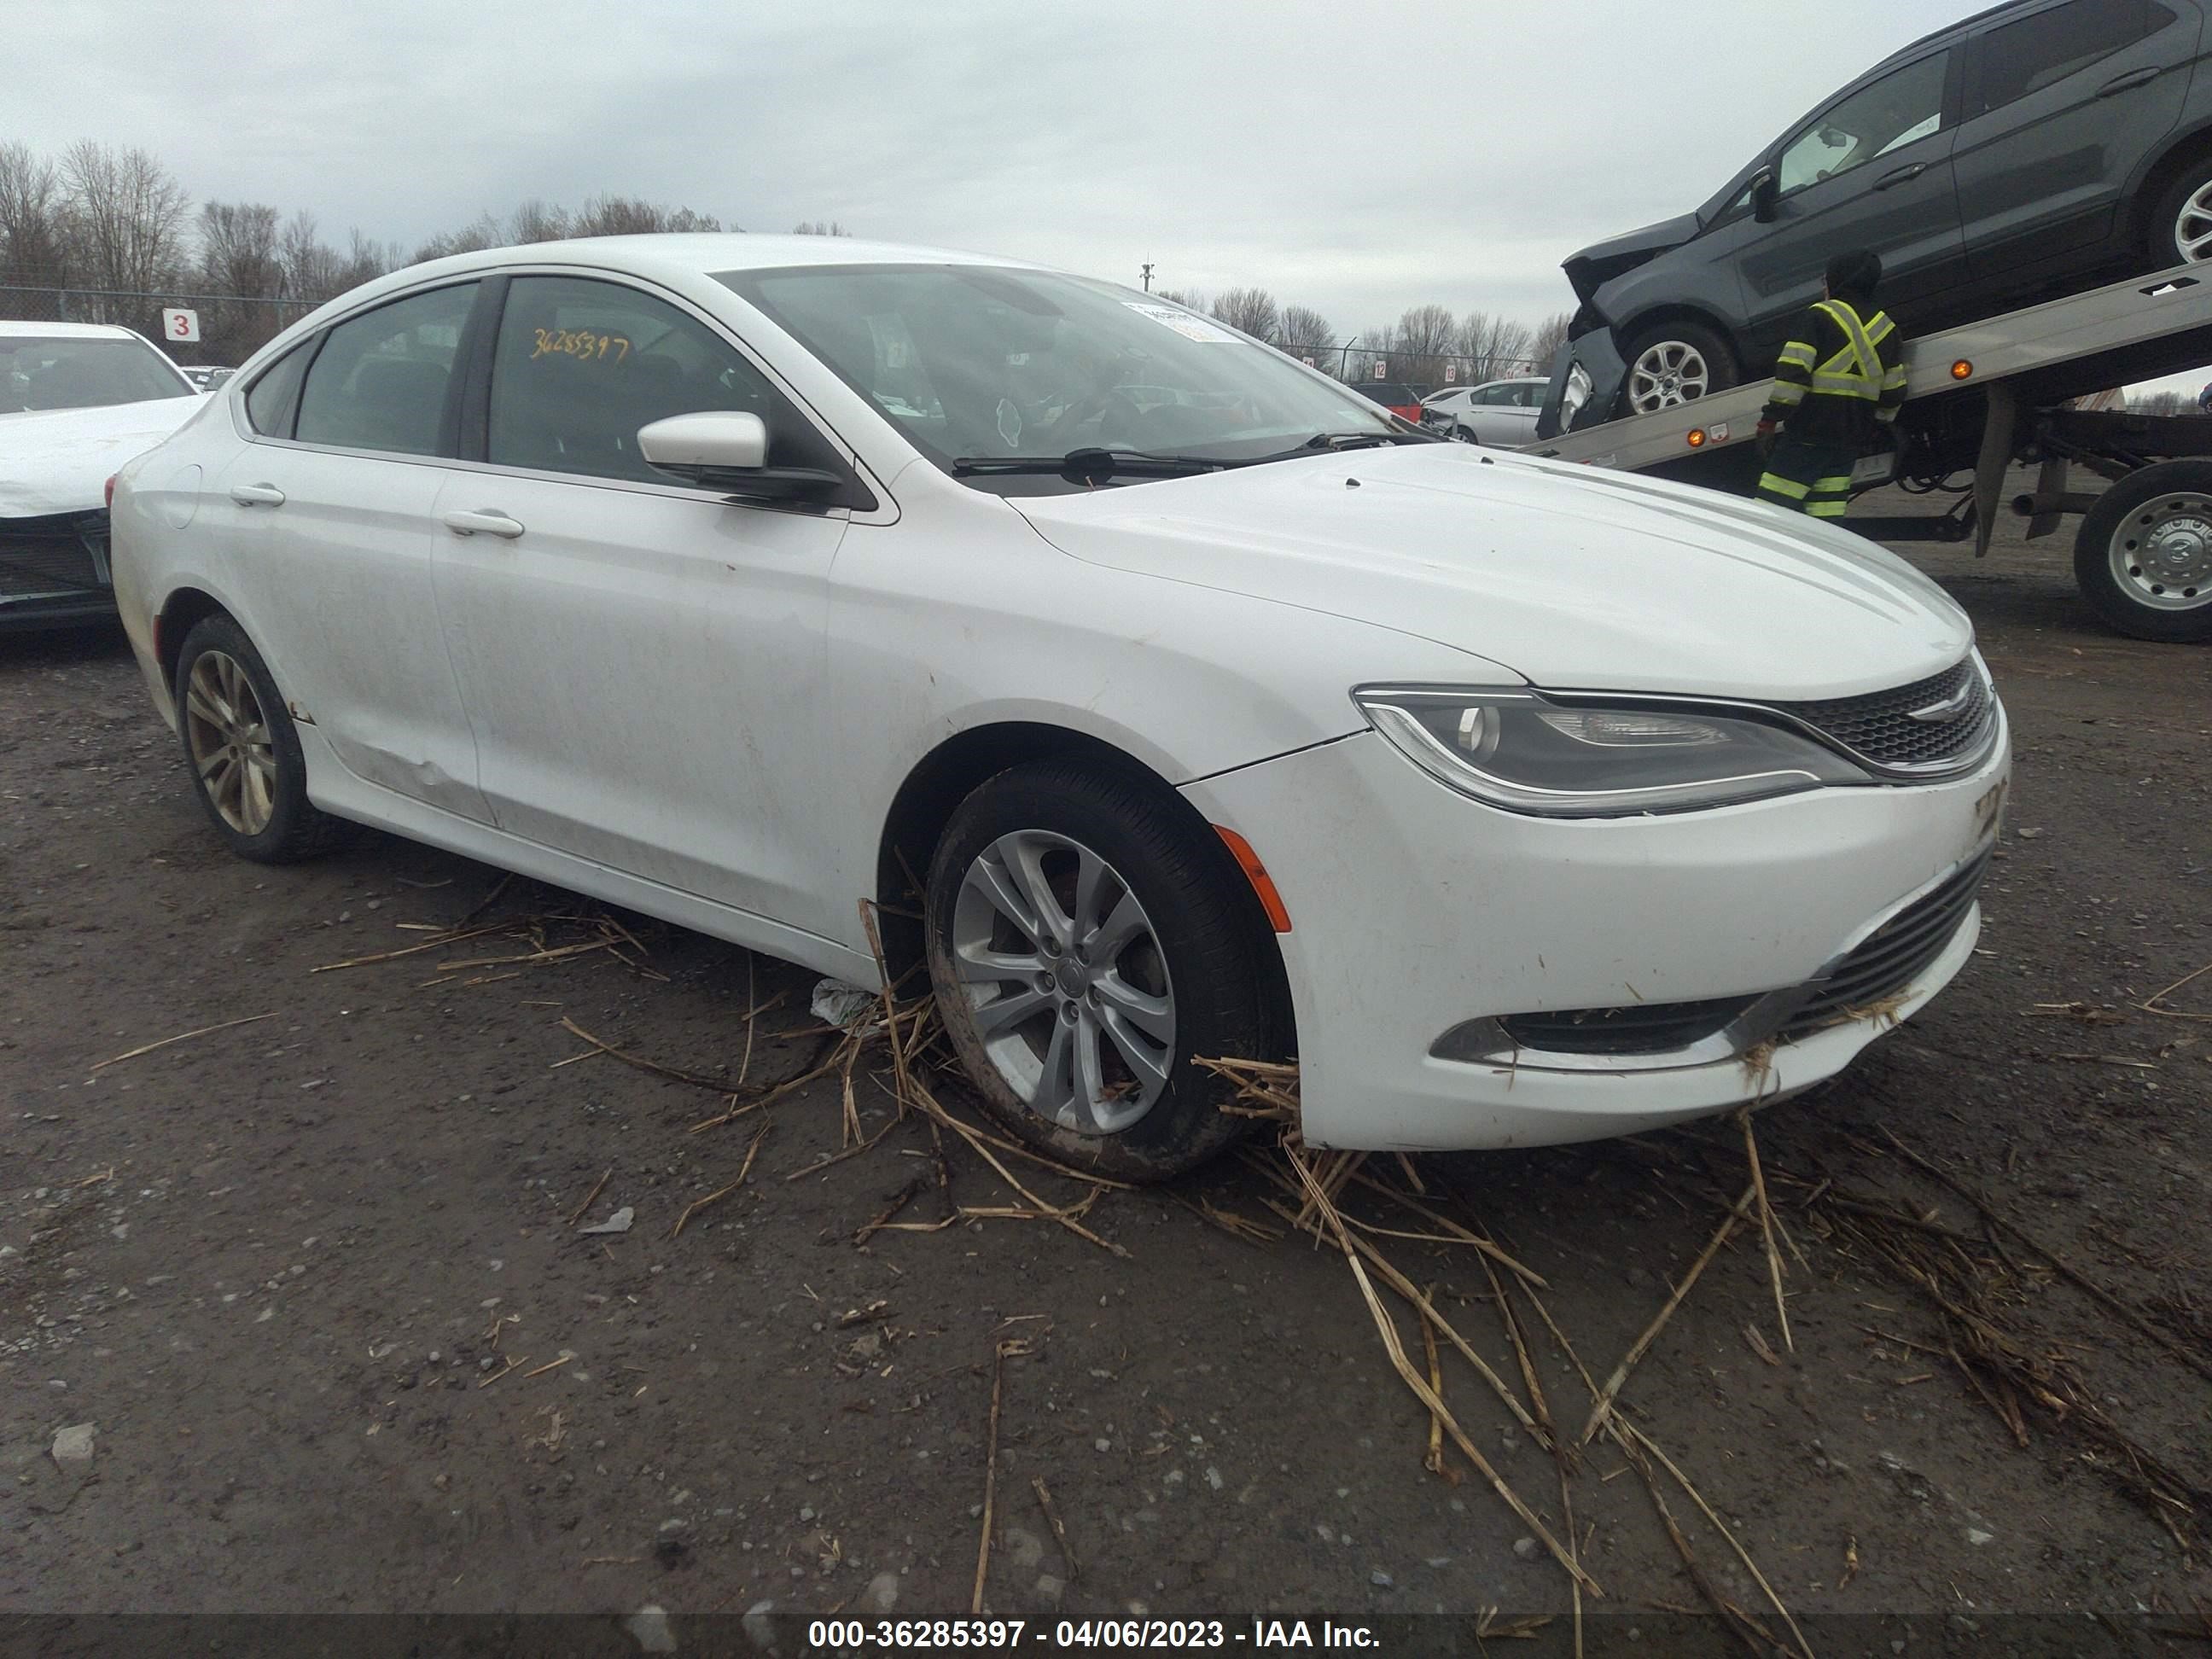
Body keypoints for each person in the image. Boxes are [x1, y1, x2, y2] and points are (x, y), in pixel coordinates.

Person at [1754, 250, 1907, 519]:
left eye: (1825, 279)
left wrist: (1770, 419)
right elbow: (1893, 392)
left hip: (1807, 435)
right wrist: (1878, 424)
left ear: (1838, 280)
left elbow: (1793, 375)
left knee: (1770, 513)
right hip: (1848, 441)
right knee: (1826, 517)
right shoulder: (1887, 328)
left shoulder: (1819, 316)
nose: (1823, 285)